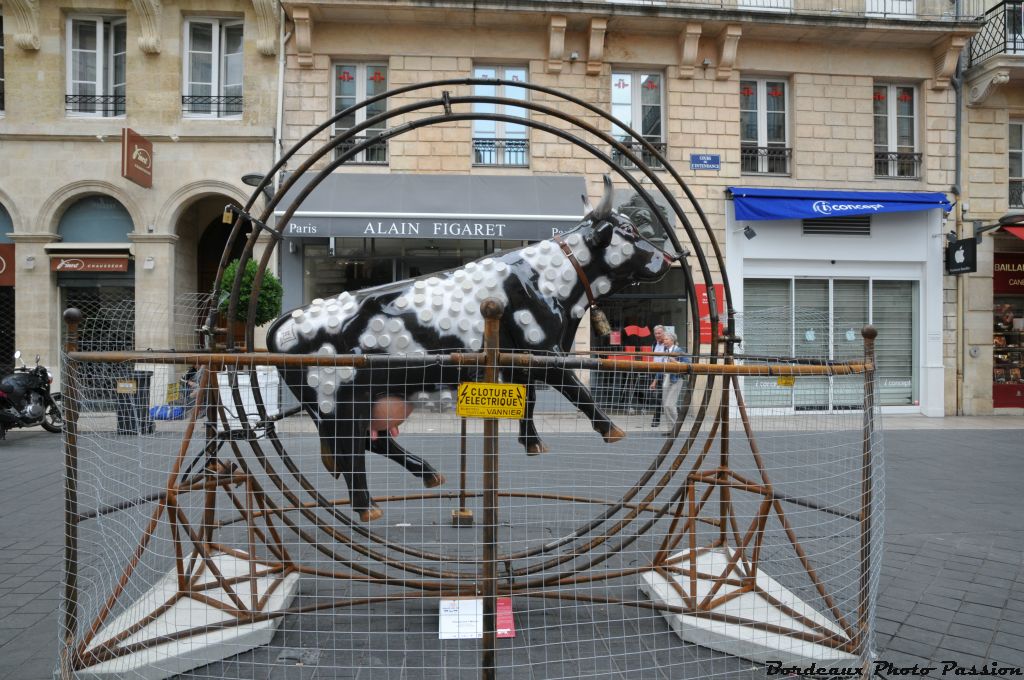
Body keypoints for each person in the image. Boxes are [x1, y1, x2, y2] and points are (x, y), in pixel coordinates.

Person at [659, 330, 689, 435]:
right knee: (665, 405)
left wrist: (675, 362)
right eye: (664, 340)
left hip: (676, 379)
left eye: (666, 339)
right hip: (666, 378)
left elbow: (688, 364)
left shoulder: (678, 350)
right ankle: (671, 429)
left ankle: (677, 428)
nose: (664, 341)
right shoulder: (666, 351)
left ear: (672, 340)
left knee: (670, 405)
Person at [648, 325, 667, 427]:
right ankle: (656, 419)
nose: (657, 335)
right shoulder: (654, 344)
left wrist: (655, 380)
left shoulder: (667, 345)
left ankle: (656, 419)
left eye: (659, 333)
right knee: (658, 397)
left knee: (661, 397)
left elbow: (664, 362)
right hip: (655, 372)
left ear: (664, 333)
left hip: (664, 374)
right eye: (656, 333)